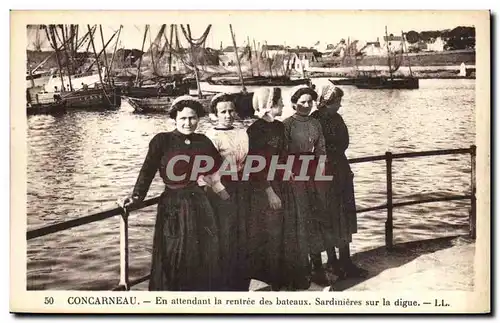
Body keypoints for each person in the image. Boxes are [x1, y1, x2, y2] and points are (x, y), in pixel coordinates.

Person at [122, 95, 229, 291]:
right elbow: (147, 170)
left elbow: (217, 166)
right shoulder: (162, 141)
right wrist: (137, 196)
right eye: (183, 118)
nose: (188, 123)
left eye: (193, 118)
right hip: (173, 204)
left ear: (198, 118)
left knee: (202, 253)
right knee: (173, 253)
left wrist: (214, 186)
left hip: (199, 203)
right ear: (174, 118)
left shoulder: (203, 141)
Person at [311, 85, 368, 279]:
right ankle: (333, 262)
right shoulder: (315, 120)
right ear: (328, 102)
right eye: (338, 102)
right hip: (323, 172)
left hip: (340, 170)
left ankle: (344, 260)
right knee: (328, 216)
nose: (340, 105)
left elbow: (344, 143)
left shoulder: (336, 118)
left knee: (343, 214)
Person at [246, 87, 297, 291]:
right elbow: (254, 165)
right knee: (270, 232)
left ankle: (282, 276)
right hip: (264, 187)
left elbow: (281, 155)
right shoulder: (255, 130)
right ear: (269, 106)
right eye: (279, 103)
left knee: (282, 230)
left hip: (280, 183)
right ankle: (270, 278)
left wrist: (286, 169)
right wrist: (269, 192)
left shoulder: (278, 127)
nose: (283, 106)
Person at [200, 93, 251, 291]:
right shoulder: (210, 137)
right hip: (220, 189)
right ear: (214, 115)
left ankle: (240, 285)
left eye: (231, 111)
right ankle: (223, 287)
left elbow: (246, 161)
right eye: (223, 112)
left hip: (241, 187)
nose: (228, 115)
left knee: (242, 235)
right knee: (224, 237)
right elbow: (206, 172)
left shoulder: (242, 133)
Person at [282, 85, 331, 288]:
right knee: (300, 218)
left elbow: (321, 149)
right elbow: (282, 152)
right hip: (294, 170)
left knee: (316, 216)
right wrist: (288, 172)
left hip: (312, 170)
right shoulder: (287, 124)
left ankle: (317, 267)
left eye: (310, 101)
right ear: (294, 103)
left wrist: (321, 177)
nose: (307, 105)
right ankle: (299, 269)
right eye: (302, 102)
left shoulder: (315, 123)